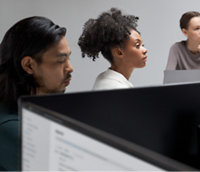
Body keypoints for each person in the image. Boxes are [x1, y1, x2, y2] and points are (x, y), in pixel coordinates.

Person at [0, 16, 74, 171]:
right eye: (61, 61)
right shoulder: (14, 131)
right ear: (29, 65)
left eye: (69, 58)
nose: (70, 68)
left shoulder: (34, 112)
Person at [78, 8, 148, 90]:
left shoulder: (104, 79)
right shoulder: (118, 89)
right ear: (119, 52)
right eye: (137, 45)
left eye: (142, 45)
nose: (145, 50)